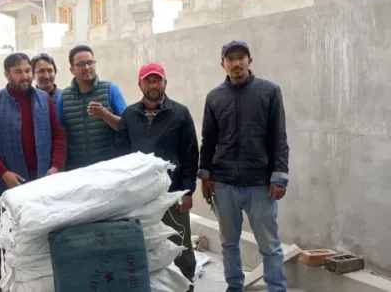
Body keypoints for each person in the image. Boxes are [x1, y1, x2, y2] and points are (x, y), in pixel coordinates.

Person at [198, 41, 290, 292]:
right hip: (224, 184)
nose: (236, 63)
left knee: (269, 245)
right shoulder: (215, 97)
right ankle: (235, 286)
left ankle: (277, 288)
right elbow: (208, 140)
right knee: (229, 243)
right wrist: (205, 177)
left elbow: (278, 137)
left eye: (241, 58)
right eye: (231, 59)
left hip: (260, 184)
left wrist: (279, 177)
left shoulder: (269, 91)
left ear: (250, 60)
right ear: (223, 64)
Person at [116, 63, 198, 290]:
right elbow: (121, 155)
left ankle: (186, 285)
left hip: (172, 194)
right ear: (140, 84)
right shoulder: (129, 115)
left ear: (165, 82)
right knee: (145, 245)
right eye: (148, 80)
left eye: (157, 80)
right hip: (139, 195)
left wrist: (188, 191)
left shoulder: (180, 113)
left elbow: (190, 154)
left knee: (179, 243)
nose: (153, 85)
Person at [0, 52, 65, 195]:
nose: (25, 76)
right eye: (18, 72)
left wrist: (55, 166)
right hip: (12, 183)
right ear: (7, 75)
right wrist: (4, 173)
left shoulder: (44, 99)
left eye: (28, 71)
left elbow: (58, 136)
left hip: (44, 178)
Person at [56, 45, 127, 170]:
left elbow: (126, 127)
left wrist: (105, 114)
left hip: (109, 167)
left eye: (90, 62)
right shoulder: (63, 97)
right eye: (81, 64)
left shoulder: (110, 89)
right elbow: (61, 136)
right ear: (72, 69)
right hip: (77, 170)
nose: (87, 67)